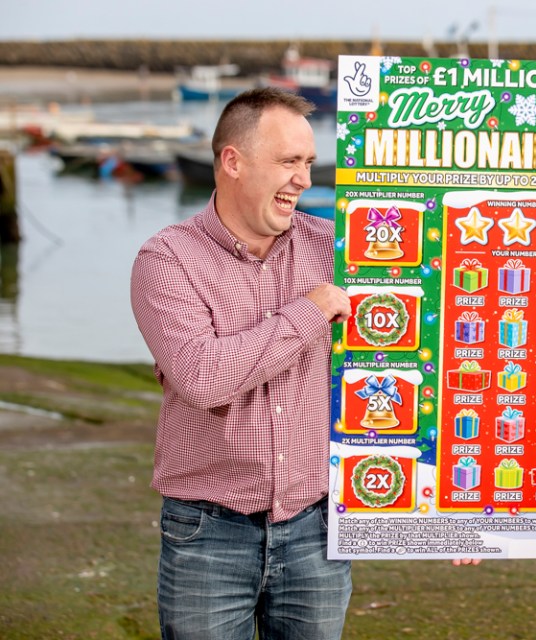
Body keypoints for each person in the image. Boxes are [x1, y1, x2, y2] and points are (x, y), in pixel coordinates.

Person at [130, 87, 352, 639]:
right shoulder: (167, 259)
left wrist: (453, 519)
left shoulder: (338, 249)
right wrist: (311, 311)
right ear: (233, 161)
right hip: (207, 533)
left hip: (318, 529)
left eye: (307, 162)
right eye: (287, 162)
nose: (303, 179)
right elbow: (204, 378)